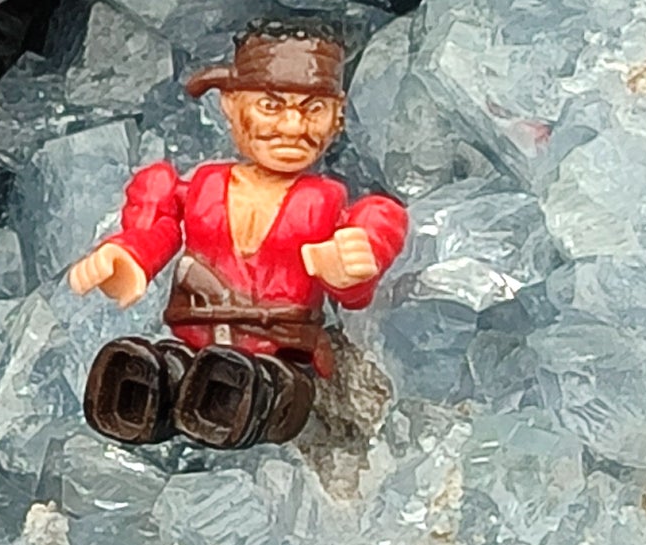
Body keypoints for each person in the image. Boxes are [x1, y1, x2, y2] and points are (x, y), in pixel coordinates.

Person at [65, 26, 406, 449]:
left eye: (313, 109)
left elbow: (376, 225)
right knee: (155, 374)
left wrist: (355, 261)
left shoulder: (327, 202)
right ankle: (143, 403)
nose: (292, 126)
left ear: (337, 117)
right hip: (191, 342)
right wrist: (129, 256)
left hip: (280, 353)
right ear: (231, 104)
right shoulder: (202, 186)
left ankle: (232, 410)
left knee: (261, 394)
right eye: (270, 106)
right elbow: (159, 225)